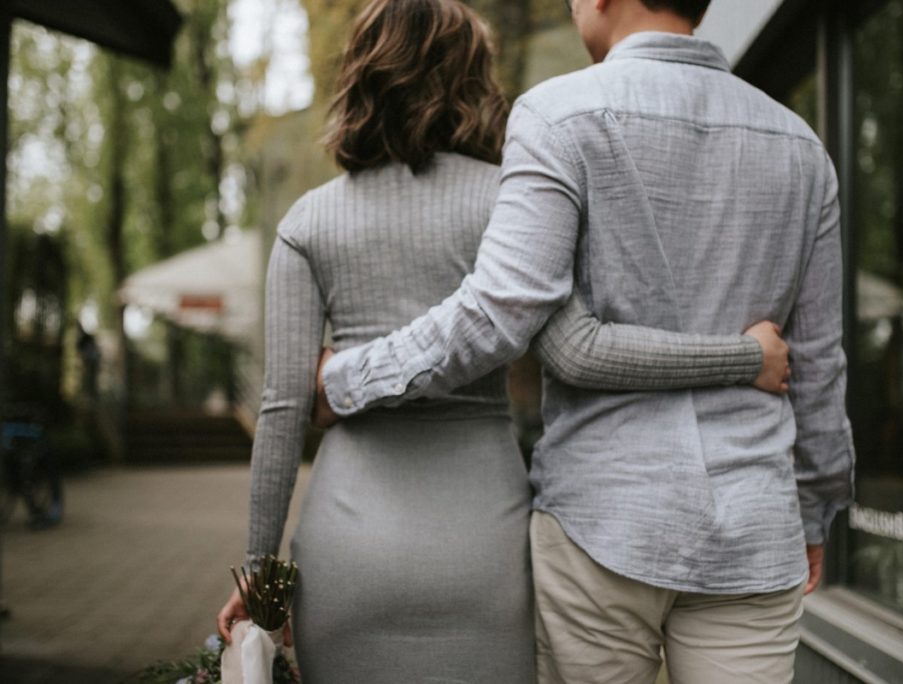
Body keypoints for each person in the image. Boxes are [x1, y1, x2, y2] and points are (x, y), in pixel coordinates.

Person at [216, 1, 794, 682]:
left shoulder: (307, 223)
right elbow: (578, 347)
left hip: (349, 553)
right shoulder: (513, 205)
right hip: (487, 551)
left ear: (360, 78)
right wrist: (745, 357)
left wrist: (261, 583)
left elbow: (284, 409)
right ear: (474, 82)